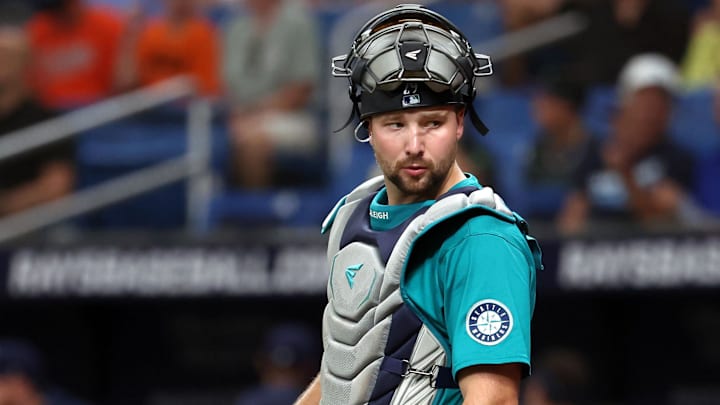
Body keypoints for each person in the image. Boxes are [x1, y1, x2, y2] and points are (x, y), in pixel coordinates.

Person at [294, 5, 543, 404]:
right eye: (395, 124)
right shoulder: (353, 215)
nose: (414, 145)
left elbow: (493, 400)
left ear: (460, 122)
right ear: (367, 127)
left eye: (432, 122)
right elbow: (347, 367)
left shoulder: (480, 239)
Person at [557, 53, 696, 235]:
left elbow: (662, 224)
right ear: (624, 107)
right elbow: (570, 222)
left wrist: (625, 173)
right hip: (594, 253)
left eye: (659, 104)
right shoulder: (596, 154)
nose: (650, 113)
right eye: (643, 102)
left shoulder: (677, 159)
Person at [222, 0, 321, 188]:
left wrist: (257, 113)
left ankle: (254, 210)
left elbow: (302, 90)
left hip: (292, 116)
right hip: (241, 115)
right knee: (206, 139)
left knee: (253, 142)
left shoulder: (298, 24)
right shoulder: (236, 27)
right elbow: (227, 87)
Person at [0, 25, 74, 217]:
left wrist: (7, 204)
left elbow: (56, 187)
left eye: (5, 54)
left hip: (28, 228)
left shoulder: (47, 121)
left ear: (25, 63)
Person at [26, 0, 124, 109]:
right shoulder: (36, 33)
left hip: (104, 108)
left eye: (61, 9)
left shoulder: (107, 24)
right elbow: (32, 87)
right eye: (51, 12)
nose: (58, 17)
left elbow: (122, 83)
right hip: (54, 114)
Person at [524, 74, 596, 220]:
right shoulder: (538, 148)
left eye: (545, 103)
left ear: (565, 106)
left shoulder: (596, 150)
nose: (536, 108)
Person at [114, 0, 220, 96]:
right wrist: (130, 41)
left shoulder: (204, 34)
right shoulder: (150, 32)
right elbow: (128, 81)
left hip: (182, 109)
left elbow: (205, 87)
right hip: (147, 105)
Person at [235, 322, 320, 405]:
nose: (283, 381)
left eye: (294, 371)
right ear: (261, 363)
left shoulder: (323, 399)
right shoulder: (250, 400)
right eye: (277, 370)